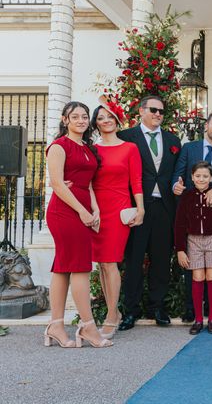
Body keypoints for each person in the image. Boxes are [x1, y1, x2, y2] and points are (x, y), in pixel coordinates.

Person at [44, 101, 111, 348]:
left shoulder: (88, 148)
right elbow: (58, 185)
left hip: (83, 209)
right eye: (75, 117)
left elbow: (89, 184)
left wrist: (95, 210)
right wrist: (82, 211)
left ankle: (56, 326)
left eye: (84, 116)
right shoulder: (59, 147)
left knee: (63, 267)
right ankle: (88, 327)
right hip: (64, 212)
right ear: (65, 120)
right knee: (81, 266)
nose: (81, 120)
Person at [117, 95, 182, 331]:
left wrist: (179, 184)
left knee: (161, 261)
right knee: (133, 261)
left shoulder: (173, 140)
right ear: (141, 111)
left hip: (164, 208)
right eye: (153, 110)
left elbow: (176, 172)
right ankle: (130, 311)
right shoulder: (126, 137)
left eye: (161, 112)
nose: (158, 114)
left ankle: (158, 308)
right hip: (137, 208)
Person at [172, 110, 212, 323]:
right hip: (190, 213)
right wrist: (176, 185)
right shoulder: (189, 148)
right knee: (192, 267)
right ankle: (192, 310)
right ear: (207, 125)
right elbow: (178, 173)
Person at [91, 98, 144, 339]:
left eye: (109, 116)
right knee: (102, 263)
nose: (106, 121)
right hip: (96, 210)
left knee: (111, 262)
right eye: (101, 118)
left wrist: (140, 209)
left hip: (119, 209)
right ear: (96, 124)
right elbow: (87, 180)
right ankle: (113, 313)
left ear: (117, 119)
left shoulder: (129, 148)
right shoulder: (92, 148)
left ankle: (112, 314)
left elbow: (137, 181)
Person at [174, 161, 212, 335]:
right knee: (197, 277)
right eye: (198, 176)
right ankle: (198, 320)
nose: (201, 179)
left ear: (211, 178)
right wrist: (180, 249)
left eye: (205, 176)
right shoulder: (186, 196)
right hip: (193, 242)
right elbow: (179, 224)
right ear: (192, 177)